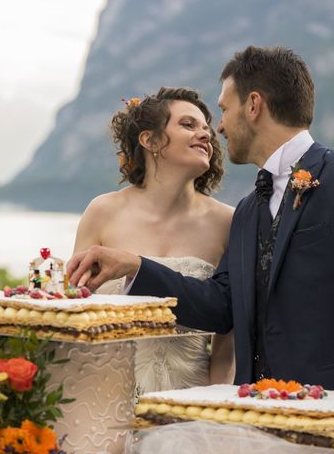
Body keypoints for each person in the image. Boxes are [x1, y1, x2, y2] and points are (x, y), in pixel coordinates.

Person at [69, 46, 334, 454]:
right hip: (258, 431)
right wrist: (134, 265)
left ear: (254, 105)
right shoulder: (249, 209)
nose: (218, 128)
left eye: (224, 110)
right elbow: (220, 305)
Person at [73, 87, 236, 393]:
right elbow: (76, 314)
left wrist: (213, 411)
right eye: (188, 125)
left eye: (206, 129)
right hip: (103, 398)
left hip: (188, 403)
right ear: (149, 140)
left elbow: (227, 344)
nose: (206, 135)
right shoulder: (102, 212)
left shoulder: (227, 222)